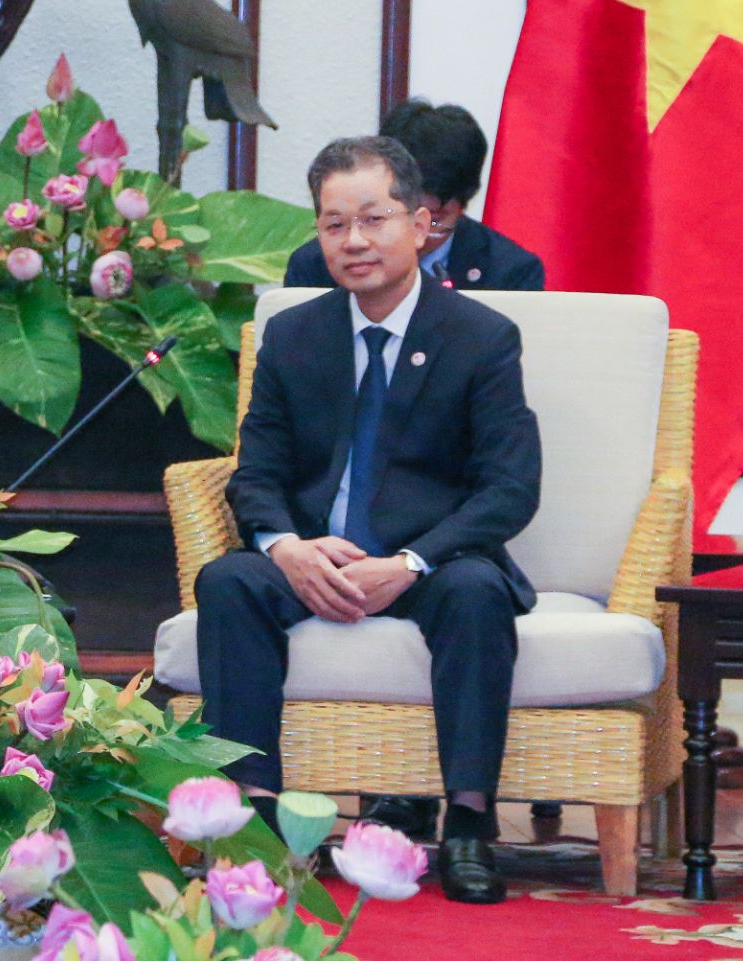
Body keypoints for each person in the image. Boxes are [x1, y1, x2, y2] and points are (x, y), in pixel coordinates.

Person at [195, 136, 541, 905]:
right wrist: (286, 546)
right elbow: (255, 474)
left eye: (373, 219)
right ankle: (257, 823)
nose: (353, 241)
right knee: (228, 581)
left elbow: (510, 488)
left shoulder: (481, 336)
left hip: (431, 563)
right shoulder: (293, 334)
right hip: (317, 552)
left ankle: (469, 827)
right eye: (333, 224)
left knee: (479, 593)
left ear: (420, 224)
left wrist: (412, 561)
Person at [284, 99, 544, 292]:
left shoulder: (510, 273)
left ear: (464, 205)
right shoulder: (316, 266)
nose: (418, 233)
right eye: (406, 213)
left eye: (436, 221)